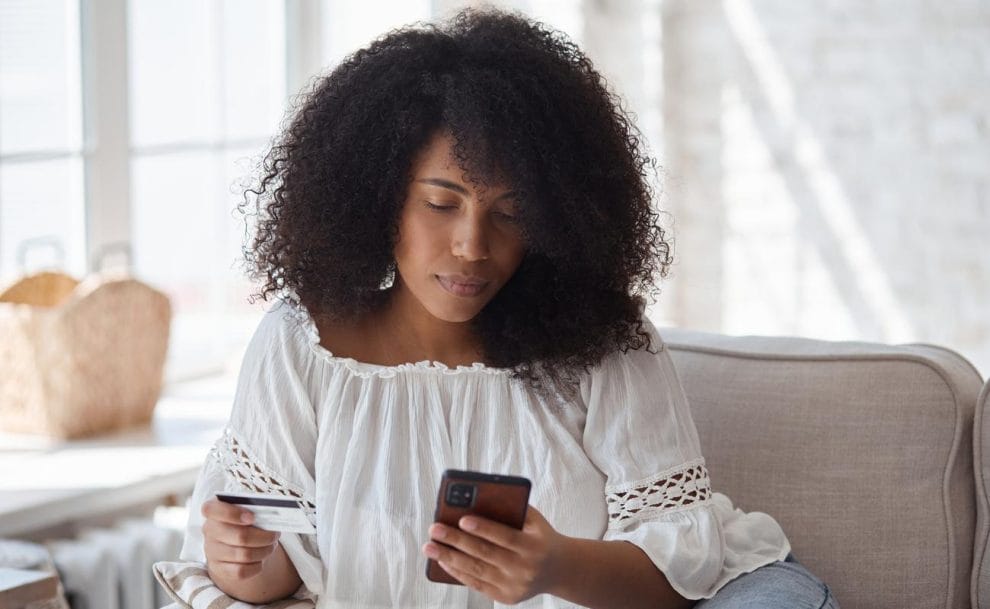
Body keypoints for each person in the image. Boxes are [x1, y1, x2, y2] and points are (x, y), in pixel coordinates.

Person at [176, 7, 839, 609]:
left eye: (511, 212)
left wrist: (555, 566)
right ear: (378, 198)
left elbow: (681, 574)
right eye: (441, 203)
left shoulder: (606, 344)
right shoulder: (301, 345)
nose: (472, 246)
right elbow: (268, 584)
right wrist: (243, 558)